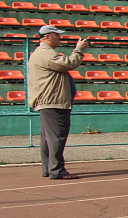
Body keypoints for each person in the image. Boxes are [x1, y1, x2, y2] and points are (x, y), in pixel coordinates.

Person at [27, 25, 88, 179]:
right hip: (53, 101)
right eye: (56, 35)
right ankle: (56, 169)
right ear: (47, 36)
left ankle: (49, 168)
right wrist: (79, 50)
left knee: (48, 137)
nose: (59, 38)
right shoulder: (45, 53)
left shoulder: (42, 53)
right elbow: (68, 63)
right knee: (57, 136)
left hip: (49, 100)